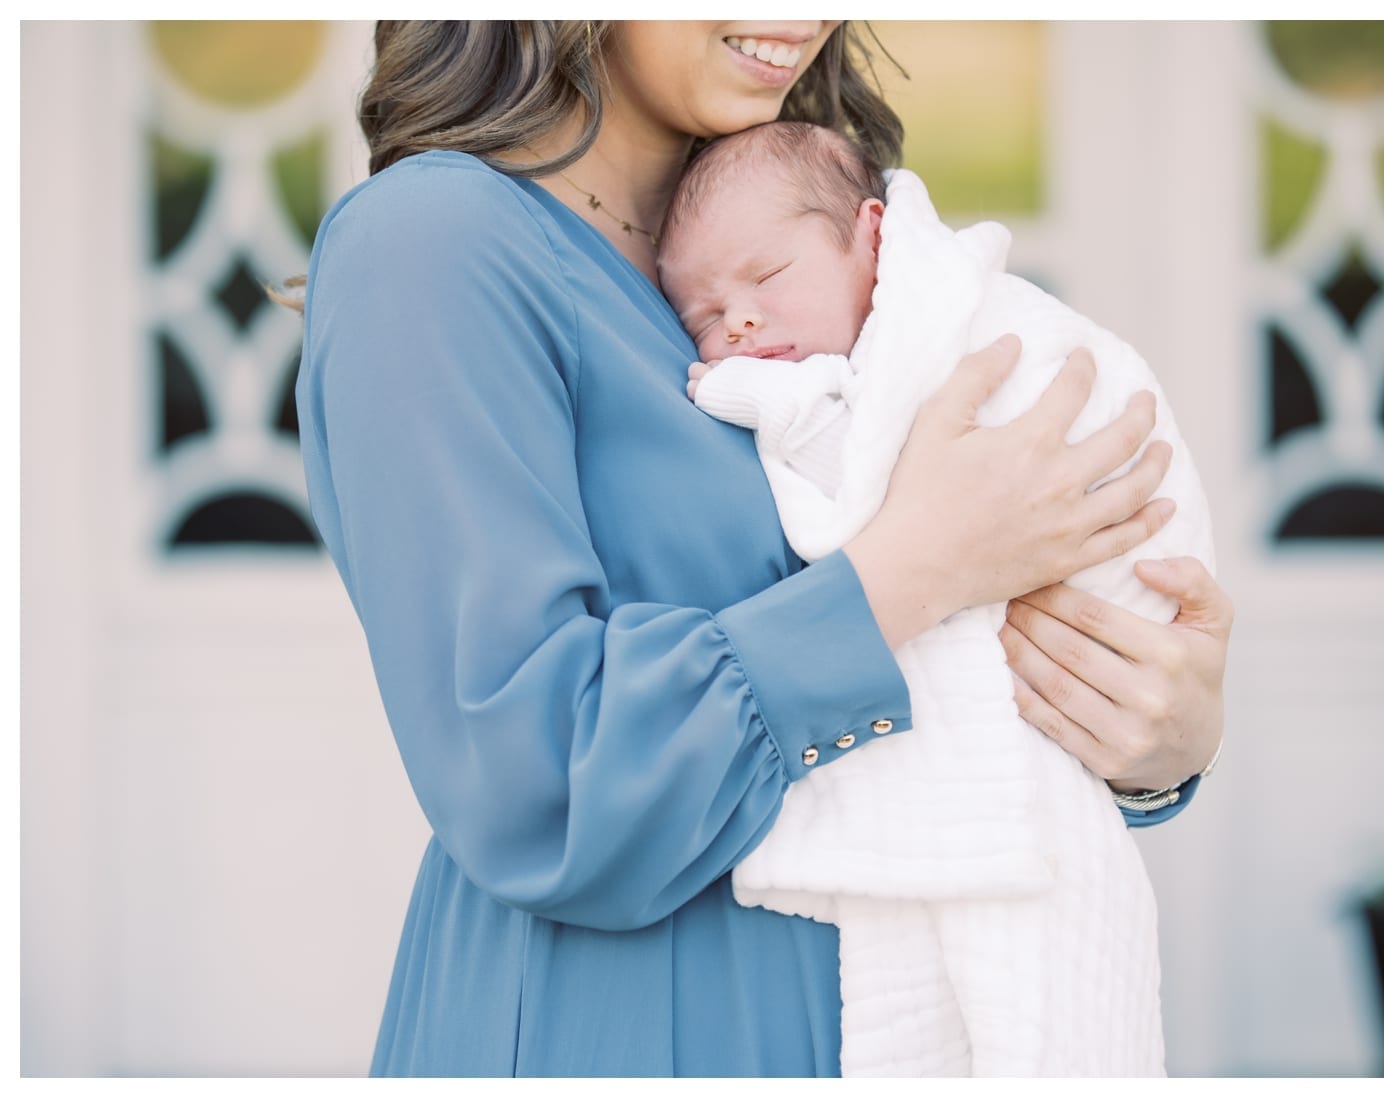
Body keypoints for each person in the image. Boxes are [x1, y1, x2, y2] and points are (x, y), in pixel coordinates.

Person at [293, 21, 1233, 1078]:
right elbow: (532, 776)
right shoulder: (432, 243)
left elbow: (955, 672)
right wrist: (917, 565)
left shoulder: (793, 223)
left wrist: (1149, 734)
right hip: (610, 1028)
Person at [654, 120, 1216, 1076]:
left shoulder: (960, 330)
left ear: (872, 238)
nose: (737, 325)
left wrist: (1172, 746)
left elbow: (857, 519)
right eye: (703, 316)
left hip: (1099, 635)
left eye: (766, 278)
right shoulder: (822, 359)